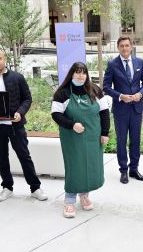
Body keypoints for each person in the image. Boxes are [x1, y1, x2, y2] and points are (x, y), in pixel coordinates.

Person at [0, 49, 48, 202]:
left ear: (4, 59)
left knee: (24, 156)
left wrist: (20, 112)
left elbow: (27, 98)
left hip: (15, 126)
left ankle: (35, 188)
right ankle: (7, 187)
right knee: (2, 158)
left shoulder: (17, 78)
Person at [51, 62, 110, 218]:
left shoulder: (96, 91)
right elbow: (56, 115)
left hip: (92, 137)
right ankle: (69, 201)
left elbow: (104, 113)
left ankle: (84, 195)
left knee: (90, 166)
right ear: (71, 74)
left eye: (83, 72)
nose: (80, 75)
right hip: (72, 138)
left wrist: (105, 133)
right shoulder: (62, 93)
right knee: (74, 167)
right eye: (77, 72)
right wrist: (72, 125)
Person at [103, 36, 143, 184]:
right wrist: (120, 96)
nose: (124, 48)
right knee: (121, 141)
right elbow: (106, 87)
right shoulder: (112, 64)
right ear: (118, 48)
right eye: (122, 46)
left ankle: (134, 169)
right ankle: (123, 170)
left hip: (136, 108)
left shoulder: (139, 62)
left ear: (131, 47)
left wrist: (140, 93)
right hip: (121, 109)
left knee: (135, 140)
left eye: (127, 45)